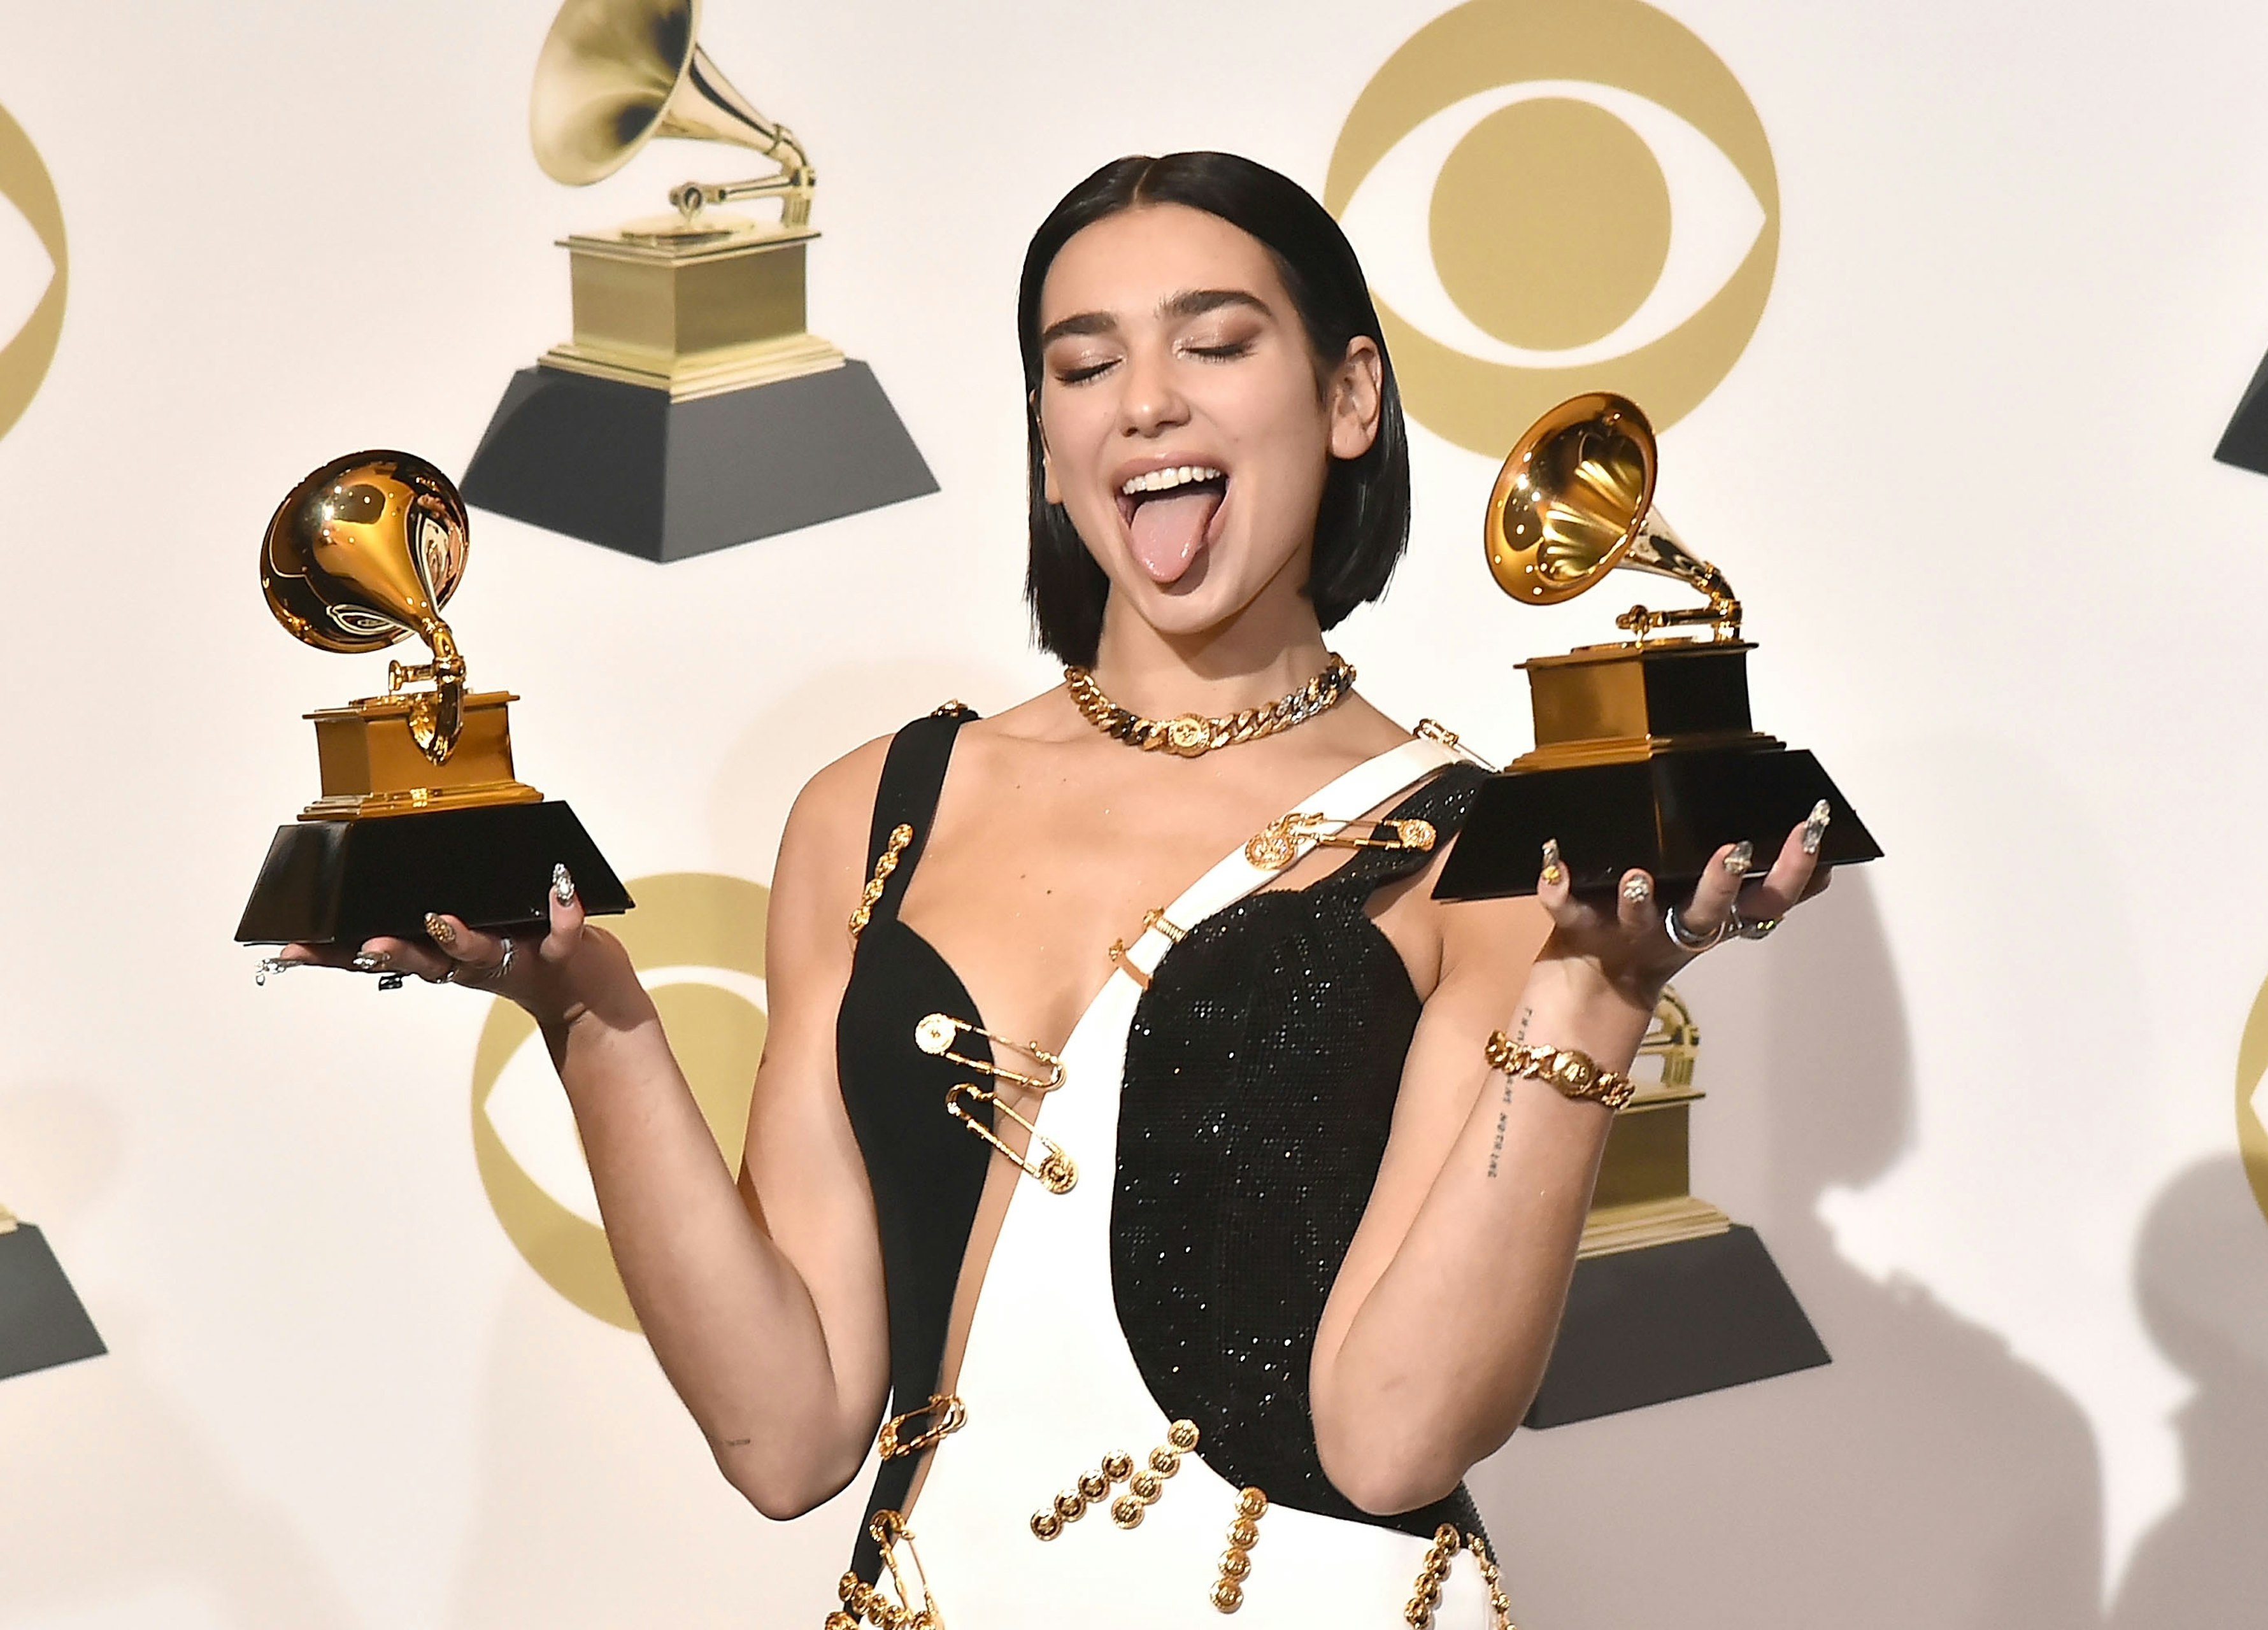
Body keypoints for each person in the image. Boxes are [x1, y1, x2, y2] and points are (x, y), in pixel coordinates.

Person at [296, 152, 1831, 1628]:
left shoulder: (1476, 851)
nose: (1146, 400)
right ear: (1046, 435)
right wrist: (594, 1013)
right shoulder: (871, 811)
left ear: (1351, 395)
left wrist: (1597, 987)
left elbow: (1393, 1437)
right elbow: (787, 1434)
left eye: (1215, 343)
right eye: (1083, 365)